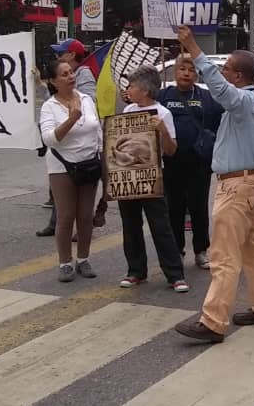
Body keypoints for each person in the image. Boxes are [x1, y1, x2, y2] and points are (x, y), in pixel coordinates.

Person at [173, 26, 254, 344]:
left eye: (226, 68)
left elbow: (218, 89)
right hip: (250, 185)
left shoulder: (243, 101)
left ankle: (213, 321)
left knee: (224, 256)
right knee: (253, 250)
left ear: (237, 76)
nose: (221, 72)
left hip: (238, 186)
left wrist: (192, 46)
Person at [117, 65, 189, 293]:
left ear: (145, 90)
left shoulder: (163, 114)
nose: (129, 89)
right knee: (130, 224)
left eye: (133, 85)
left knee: (161, 225)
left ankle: (174, 274)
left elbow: (171, 150)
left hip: (153, 175)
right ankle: (136, 270)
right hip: (128, 175)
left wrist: (163, 132)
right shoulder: (128, 110)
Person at [157, 55, 222, 269]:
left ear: (197, 74)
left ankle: (201, 250)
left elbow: (218, 124)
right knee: (173, 208)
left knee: (198, 208)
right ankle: (177, 250)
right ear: (175, 72)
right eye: (182, 69)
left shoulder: (206, 97)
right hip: (171, 161)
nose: (186, 73)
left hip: (198, 163)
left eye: (191, 70)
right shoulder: (163, 96)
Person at [39, 60, 102, 282]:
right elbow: (49, 139)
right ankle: (65, 262)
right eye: (64, 74)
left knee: (86, 216)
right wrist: (72, 118)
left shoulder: (86, 99)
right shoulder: (49, 106)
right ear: (54, 81)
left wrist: (102, 156)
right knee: (65, 216)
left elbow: (97, 130)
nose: (71, 76)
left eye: (71, 72)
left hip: (89, 163)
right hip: (62, 167)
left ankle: (83, 259)